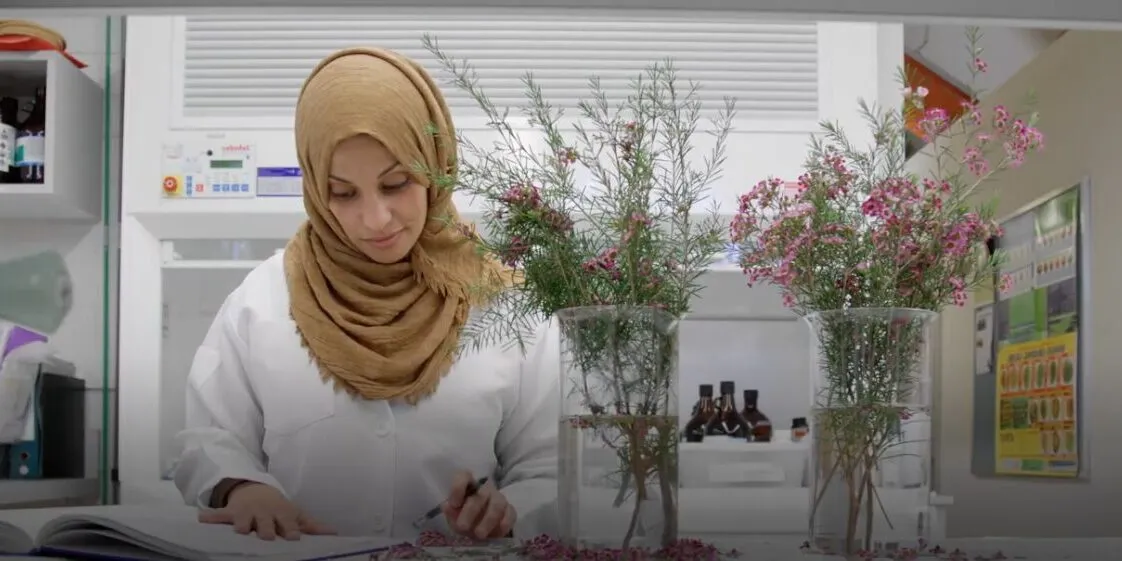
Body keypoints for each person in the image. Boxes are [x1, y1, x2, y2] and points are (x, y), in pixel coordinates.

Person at [172, 47, 559, 542]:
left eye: (396, 183)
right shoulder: (263, 301)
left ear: (435, 167)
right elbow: (210, 438)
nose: (376, 219)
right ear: (314, 187)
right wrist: (243, 488)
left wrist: (509, 509)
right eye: (343, 193)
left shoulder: (506, 302)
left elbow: (552, 465)